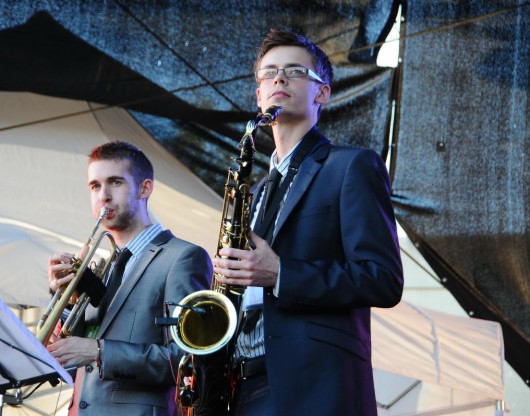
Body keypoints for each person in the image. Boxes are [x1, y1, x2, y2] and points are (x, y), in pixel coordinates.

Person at [212, 29, 404, 415]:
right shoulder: (255, 190)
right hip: (241, 386)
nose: (279, 79)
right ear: (259, 95)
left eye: (295, 71)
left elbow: (383, 279)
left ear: (323, 93)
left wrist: (282, 273)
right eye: (269, 73)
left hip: (316, 387)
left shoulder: (353, 165)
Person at [46, 140, 212, 415]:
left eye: (115, 182)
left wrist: (99, 351)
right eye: (95, 186)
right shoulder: (101, 267)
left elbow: (187, 361)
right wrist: (64, 299)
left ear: (145, 188)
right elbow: (72, 356)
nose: (103, 196)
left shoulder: (182, 257)